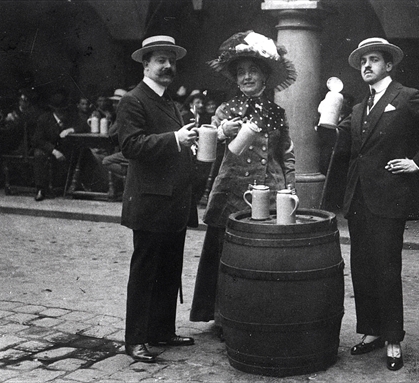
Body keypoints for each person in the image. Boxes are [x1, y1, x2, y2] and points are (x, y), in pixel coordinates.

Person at [336, 37, 419, 371]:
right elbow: (344, 144)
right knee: (361, 267)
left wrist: (416, 162)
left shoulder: (405, 97)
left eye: (373, 60)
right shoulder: (359, 107)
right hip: (359, 198)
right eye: (362, 62)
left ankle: (392, 340)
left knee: (387, 269)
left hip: (389, 199)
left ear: (389, 65)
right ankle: (371, 331)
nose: (367, 66)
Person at [189, 31, 297, 327]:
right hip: (232, 192)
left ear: (264, 77)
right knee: (226, 256)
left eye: (252, 71)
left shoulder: (277, 113)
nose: (247, 77)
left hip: (269, 192)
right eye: (241, 73)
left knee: (264, 257)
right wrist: (223, 131)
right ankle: (224, 317)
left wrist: (290, 187)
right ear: (235, 80)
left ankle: (262, 315)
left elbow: (286, 153)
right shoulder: (225, 110)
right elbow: (205, 144)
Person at [115, 35, 199, 363]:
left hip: (173, 200)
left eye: (172, 61)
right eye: (160, 60)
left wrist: (185, 143)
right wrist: (175, 139)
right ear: (145, 63)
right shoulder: (134, 100)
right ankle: (135, 339)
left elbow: (167, 144)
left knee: (169, 269)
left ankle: (162, 330)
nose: (167, 66)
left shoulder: (168, 102)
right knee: (145, 272)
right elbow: (131, 146)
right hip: (150, 201)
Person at [32, 88, 88, 201]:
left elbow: (84, 125)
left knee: (83, 151)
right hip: (48, 149)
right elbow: (37, 140)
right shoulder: (44, 119)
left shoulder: (70, 117)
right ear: (54, 110)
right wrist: (54, 151)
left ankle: (77, 186)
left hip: (66, 150)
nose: (63, 114)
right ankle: (40, 189)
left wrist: (71, 129)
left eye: (65, 110)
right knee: (38, 154)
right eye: (61, 111)